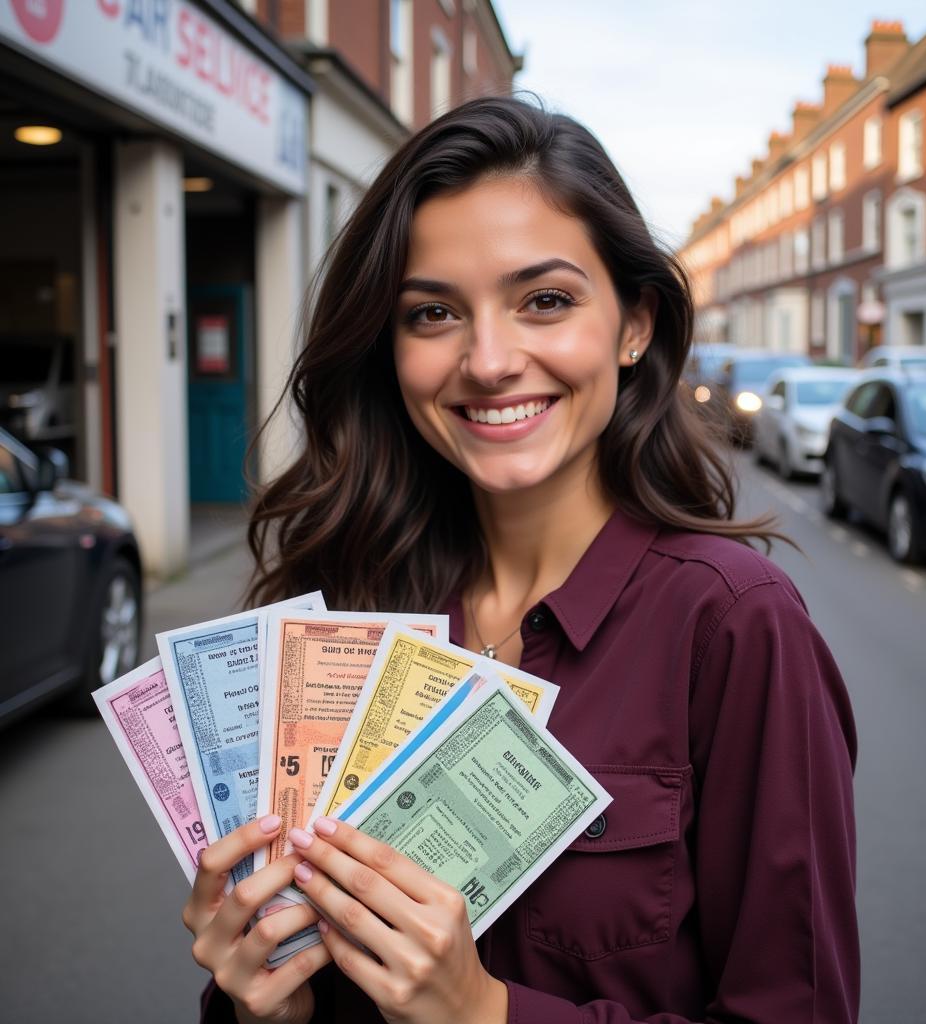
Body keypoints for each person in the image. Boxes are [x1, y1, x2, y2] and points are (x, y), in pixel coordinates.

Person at [186, 95, 859, 1024]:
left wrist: (484, 1013)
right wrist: (260, 1004)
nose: (490, 360)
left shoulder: (736, 625)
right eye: (433, 314)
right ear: (390, 350)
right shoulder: (346, 610)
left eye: (545, 300)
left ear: (635, 326)